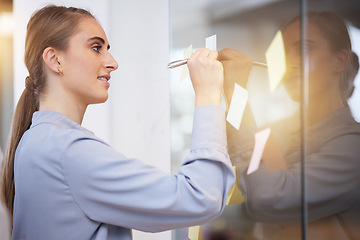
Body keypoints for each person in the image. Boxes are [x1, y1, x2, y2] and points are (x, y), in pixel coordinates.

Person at [0, 5, 235, 240]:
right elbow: (201, 197)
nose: (112, 63)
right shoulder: (66, 150)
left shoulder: (36, 140)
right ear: (55, 59)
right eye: (96, 48)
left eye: (107, 49)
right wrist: (207, 94)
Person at [218, 11, 360, 240]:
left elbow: (269, 198)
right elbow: (251, 186)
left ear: (340, 61)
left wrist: (236, 93)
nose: (288, 63)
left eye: (304, 49)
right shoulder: (275, 134)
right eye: (283, 54)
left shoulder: (353, 147)